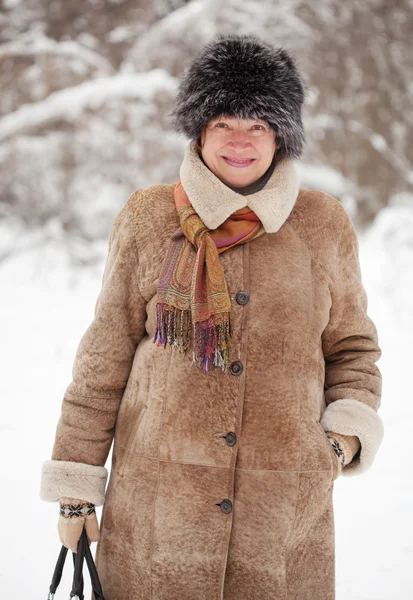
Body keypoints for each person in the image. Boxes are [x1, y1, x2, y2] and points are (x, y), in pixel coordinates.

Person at [40, 34, 384, 600]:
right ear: (200, 128)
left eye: (259, 125)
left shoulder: (323, 225)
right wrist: (76, 490)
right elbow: (104, 357)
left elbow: (353, 350)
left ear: (282, 136)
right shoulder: (151, 218)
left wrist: (339, 441)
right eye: (224, 122)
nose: (240, 141)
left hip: (282, 520)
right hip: (156, 512)